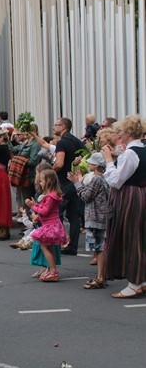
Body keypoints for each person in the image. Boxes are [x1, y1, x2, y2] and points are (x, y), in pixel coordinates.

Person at [102, 115, 145, 298]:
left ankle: (134, 284)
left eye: (120, 131)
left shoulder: (131, 153)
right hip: (140, 194)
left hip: (129, 196)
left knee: (131, 237)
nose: (117, 134)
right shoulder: (141, 149)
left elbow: (115, 180)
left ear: (128, 133)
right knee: (140, 237)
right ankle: (140, 280)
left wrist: (108, 161)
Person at [68, 152, 109, 289]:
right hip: (98, 215)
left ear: (96, 165)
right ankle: (101, 276)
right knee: (98, 247)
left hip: (96, 216)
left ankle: (101, 277)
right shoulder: (101, 178)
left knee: (99, 247)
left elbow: (86, 196)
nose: (88, 164)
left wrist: (76, 183)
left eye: (91, 162)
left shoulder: (97, 179)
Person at [25, 169, 67, 282]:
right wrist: (35, 205)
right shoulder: (50, 196)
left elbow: (44, 211)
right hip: (50, 225)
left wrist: (32, 206)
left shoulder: (50, 197)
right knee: (48, 247)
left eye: (42, 181)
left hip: (51, 226)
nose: (40, 183)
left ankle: (53, 271)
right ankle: (52, 269)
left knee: (45, 247)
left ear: (48, 181)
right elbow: (44, 210)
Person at [52, 117, 85, 254]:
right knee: (73, 215)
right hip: (75, 181)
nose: (54, 127)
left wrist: (51, 170)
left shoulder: (62, 143)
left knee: (56, 212)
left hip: (64, 182)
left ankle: (57, 243)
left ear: (63, 127)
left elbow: (59, 163)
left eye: (56, 125)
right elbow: (84, 156)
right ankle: (72, 246)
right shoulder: (77, 141)